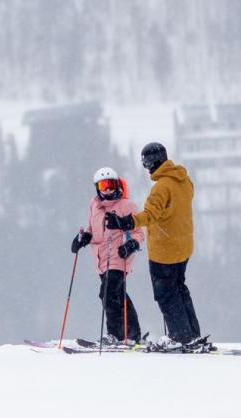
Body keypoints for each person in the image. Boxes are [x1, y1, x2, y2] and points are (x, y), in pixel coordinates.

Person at [104, 142, 201, 347]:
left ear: (152, 162)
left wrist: (126, 222)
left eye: (145, 162)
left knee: (166, 294)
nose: (146, 168)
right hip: (183, 246)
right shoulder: (184, 181)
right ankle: (192, 334)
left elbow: (150, 215)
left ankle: (180, 336)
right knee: (180, 289)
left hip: (165, 250)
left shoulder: (161, 188)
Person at [71, 167, 145, 344]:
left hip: (118, 257)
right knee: (118, 294)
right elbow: (91, 228)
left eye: (111, 184)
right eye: (103, 186)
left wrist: (131, 245)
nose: (108, 190)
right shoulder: (94, 205)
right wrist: (83, 238)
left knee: (107, 293)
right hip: (101, 259)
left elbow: (139, 233)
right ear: (97, 188)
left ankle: (115, 334)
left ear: (117, 184)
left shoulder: (127, 206)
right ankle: (133, 334)